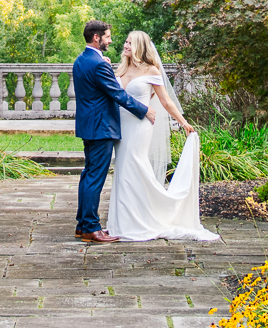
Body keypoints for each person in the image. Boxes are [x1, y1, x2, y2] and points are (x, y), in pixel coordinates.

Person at [107, 30, 215, 242]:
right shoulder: (120, 69)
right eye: (126, 42)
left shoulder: (151, 70)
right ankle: (123, 221)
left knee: (135, 165)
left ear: (139, 46)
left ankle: (149, 216)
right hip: (121, 127)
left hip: (140, 126)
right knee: (122, 170)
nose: (125, 45)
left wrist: (183, 122)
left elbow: (165, 101)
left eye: (130, 42)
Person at [70, 20, 147, 244]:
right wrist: (144, 111)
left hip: (88, 125)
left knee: (88, 175)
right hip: (101, 127)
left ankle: (82, 225)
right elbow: (118, 95)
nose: (110, 40)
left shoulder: (81, 60)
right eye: (108, 36)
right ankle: (92, 229)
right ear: (97, 38)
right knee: (95, 177)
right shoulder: (99, 64)